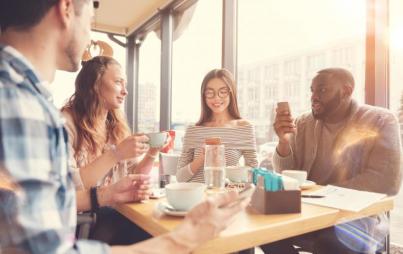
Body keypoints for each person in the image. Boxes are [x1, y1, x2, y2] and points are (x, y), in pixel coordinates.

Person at [0, 1, 248, 253]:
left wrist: (148, 156)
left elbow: (51, 207)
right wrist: (182, 240)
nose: (90, 31)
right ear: (66, 8)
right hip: (94, 222)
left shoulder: (34, 103)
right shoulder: (23, 107)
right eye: (93, 9)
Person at [263, 67, 402, 254]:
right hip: (308, 212)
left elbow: (386, 183)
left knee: (331, 241)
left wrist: (321, 196)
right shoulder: (303, 123)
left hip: (357, 217)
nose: (313, 97)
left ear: (346, 91)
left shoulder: (380, 120)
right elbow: (288, 176)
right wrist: (283, 142)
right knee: (263, 231)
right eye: (312, 91)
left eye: (322, 90)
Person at [61, 55, 162, 244]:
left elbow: (134, 173)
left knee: (158, 225)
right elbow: (70, 188)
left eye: (125, 84)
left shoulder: (116, 125)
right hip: (80, 222)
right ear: (95, 85)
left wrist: (152, 153)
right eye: (118, 82)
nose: (125, 91)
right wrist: (116, 153)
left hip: (113, 213)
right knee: (150, 234)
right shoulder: (66, 123)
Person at [177, 68, 258, 183]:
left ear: (231, 93)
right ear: (204, 96)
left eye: (223, 92)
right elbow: (180, 178)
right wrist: (203, 158)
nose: (216, 98)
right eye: (210, 92)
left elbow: (254, 172)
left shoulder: (244, 127)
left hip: (225, 198)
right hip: (195, 197)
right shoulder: (193, 129)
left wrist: (232, 176)